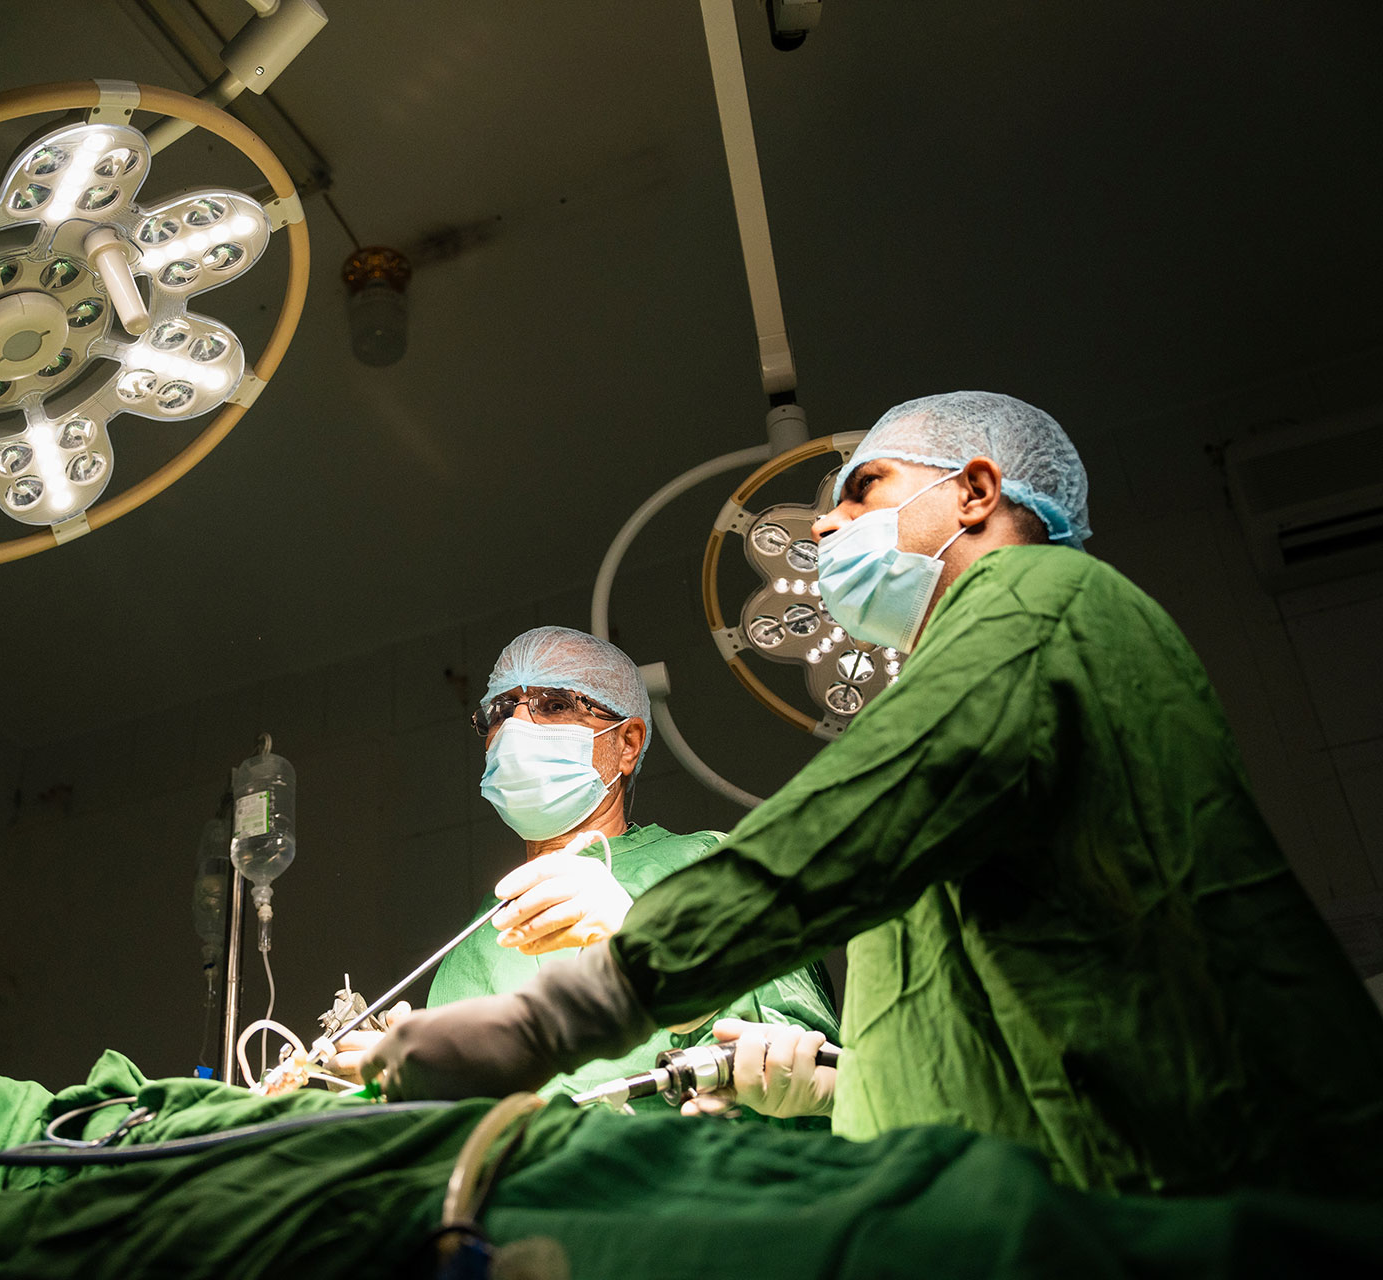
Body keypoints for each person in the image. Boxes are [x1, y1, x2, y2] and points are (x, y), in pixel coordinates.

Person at [367, 391, 1383, 1196]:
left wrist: (577, 1006)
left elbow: (841, 829)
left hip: (1184, 1192)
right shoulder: (961, 754)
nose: (825, 526)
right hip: (1022, 1203)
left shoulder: (1041, 599)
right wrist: (834, 1087)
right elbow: (945, 1047)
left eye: (863, 490)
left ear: (975, 491)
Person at [334, 627, 838, 1116]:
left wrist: (649, 949)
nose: (517, 726)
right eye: (500, 710)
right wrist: (403, 1092)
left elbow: (806, 1065)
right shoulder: (475, 945)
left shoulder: (707, 865)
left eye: (554, 705)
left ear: (627, 744)